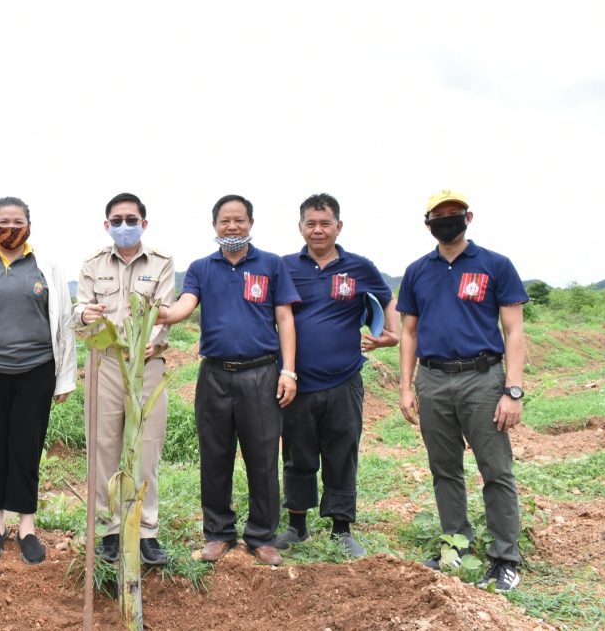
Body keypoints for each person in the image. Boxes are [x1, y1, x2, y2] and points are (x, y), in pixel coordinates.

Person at [397, 189, 528, 592]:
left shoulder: (494, 265)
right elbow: (409, 332)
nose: (447, 220)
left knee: (496, 470)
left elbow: (514, 330)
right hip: (433, 380)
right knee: (445, 469)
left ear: (468, 218)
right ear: (428, 223)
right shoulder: (418, 271)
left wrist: (513, 390)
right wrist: (405, 387)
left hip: (482, 378)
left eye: (454, 213)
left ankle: (505, 557)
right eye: (439, 215)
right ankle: (456, 544)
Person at [159, 194, 298, 566]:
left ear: (251, 223)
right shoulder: (201, 268)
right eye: (225, 221)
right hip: (215, 375)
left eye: (239, 220)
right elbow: (185, 305)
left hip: (262, 373)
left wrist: (288, 370)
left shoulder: (271, 265)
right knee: (215, 456)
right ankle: (218, 533)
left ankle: (262, 536)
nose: (232, 226)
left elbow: (285, 318)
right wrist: (160, 314)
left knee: (264, 457)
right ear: (214, 226)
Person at [0, 196, 76, 564]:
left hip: (36, 370)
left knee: (26, 449)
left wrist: (64, 376)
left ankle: (27, 527)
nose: (10, 227)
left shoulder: (46, 265)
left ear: (29, 225)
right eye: (3, 221)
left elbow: (64, 322)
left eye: (18, 221)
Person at [278, 193, 400, 557]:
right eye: (311, 224)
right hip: (296, 381)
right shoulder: (283, 267)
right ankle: (296, 526)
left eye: (325, 223)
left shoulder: (359, 267)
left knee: (342, 451)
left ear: (338, 226)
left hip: (345, 379)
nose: (318, 230)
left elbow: (388, 298)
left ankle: (341, 529)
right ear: (301, 227)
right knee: (297, 453)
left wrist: (389, 333)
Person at [75, 193, 175, 566]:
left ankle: (146, 531)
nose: (124, 226)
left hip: (146, 365)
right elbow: (80, 306)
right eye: (116, 220)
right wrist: (85, 314)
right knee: (103, 448)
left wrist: (143, 345)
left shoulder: (162, 264)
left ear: (143, 224)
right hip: (105, 364)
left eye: (131, 219)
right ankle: (109, 531)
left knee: (147, 448)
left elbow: (161, 311)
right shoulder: (92, 264)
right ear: (107, 225)